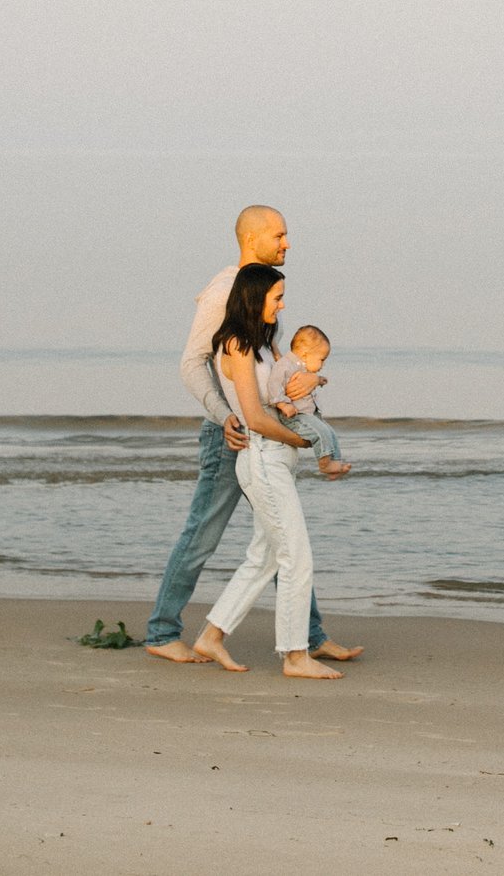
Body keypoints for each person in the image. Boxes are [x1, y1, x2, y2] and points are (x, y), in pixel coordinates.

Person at [141, 206, 361, 665]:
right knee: (206, 533)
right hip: (232, 434)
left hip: (263, 430)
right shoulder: (224, 291)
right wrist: (227, 418)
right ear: (253, 237)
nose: (287, 243)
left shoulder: (263, 292)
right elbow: (191, 363)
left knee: (279, 536)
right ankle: (162, 631)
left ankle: (311, 635)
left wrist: (312, 381)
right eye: (280, 234)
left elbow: (278, 366)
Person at [189, 262, 341, 678]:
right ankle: (295, 655)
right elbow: (255, 417)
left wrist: (316, 381)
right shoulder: (237, 345)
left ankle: (211, 636)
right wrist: (302, 442)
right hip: (262, 457)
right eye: (277, 297)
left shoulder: (266, 344)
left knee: (264, 558)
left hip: (277, 461)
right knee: (296, 555)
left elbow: (298, 379)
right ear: (255, 297)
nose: (282, 303)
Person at [271, 324, 349, 479]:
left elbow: (307, 380)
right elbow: (274, 385)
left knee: (330, 432)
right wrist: (283, 404)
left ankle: (336, 464)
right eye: (322, 359)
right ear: (306, 355)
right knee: (321, 433)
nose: (323, 364)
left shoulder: (302, 366)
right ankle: (325, 465)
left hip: (308, 415)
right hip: (295, 416)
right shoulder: (285, 365)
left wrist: (319, 380)